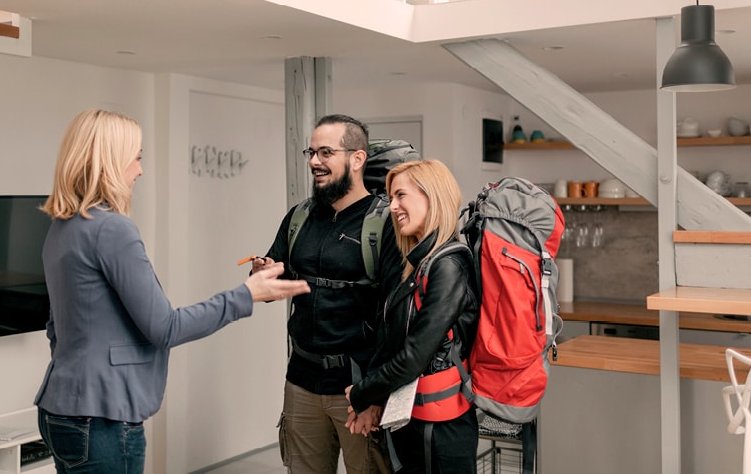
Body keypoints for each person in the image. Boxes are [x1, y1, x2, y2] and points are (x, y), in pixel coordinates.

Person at [34, 109, 310, 474]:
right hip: (101, 419)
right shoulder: (113, 230)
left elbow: (57, 326)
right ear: (110, 163)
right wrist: (247, 293)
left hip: (61, 408)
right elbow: (165, 327)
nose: (140, 170)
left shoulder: (62, 226)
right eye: (136, 158)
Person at [253, 114, 403, 474]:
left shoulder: (385, 224)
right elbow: (274, 282)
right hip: (301, 382)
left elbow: (395, 319)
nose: (314, 162)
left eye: (324, 152)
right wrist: (263, 275)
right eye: (311, 151)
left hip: (358, 390)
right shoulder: (299, 217)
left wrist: (374, 394)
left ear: (356, 158)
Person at [345, 159, 480, 474]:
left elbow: (413, 357)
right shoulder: (418, 265)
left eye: (400, 195)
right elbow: (391, 340)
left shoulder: (449, 266)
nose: (392, 207)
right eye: (391, 198)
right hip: (414, 423)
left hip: (442, 431)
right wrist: (370, 400)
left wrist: (363, 392)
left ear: (431, 196)